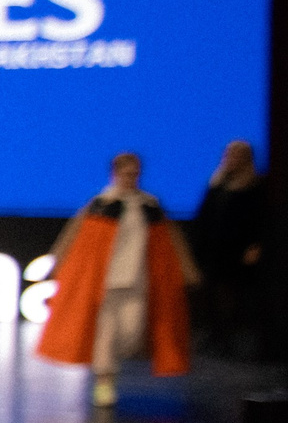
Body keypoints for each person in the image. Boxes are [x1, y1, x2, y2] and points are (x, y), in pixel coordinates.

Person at [37, 151, 200, 408]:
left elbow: (171, 238)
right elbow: (74, 235)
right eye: (126, 173)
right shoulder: (101, 203)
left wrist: (186, 268)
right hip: (105, 281)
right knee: (106, 333)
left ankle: (109, 369)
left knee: (131, 331)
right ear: (115, 173)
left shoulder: (149, 205)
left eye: (134, 173)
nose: (130, 177)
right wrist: (58, 263)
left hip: (139, 279)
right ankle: (105, 381)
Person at [190, 140, 264, 355]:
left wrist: (256, 245)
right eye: (229, 155)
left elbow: (260, 219)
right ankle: (215, 334)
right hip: (214, 248)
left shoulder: (254, 187)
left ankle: (230, 337)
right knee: (210, 292)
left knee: (231, 294)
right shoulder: (217, 185)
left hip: (238, 251)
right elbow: (204, 216)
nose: (231, 159)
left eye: (237, 156)